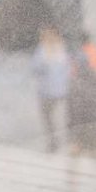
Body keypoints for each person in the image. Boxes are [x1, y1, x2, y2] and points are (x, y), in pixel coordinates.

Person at [65, 29, 96, 192]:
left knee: (77, 157)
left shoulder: (79, 58)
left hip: (83, 125)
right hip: (95, 121)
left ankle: (72, 190)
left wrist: (72, 130)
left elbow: (75, 109)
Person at [31, 24, 71, 153]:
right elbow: (68, 69)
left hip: (47, 91)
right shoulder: (61, 50)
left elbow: (36, 68)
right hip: (62, 91)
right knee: (56, 116)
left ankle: (53, 141)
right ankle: (64, 140)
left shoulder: (42, 50)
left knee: (47, 117)